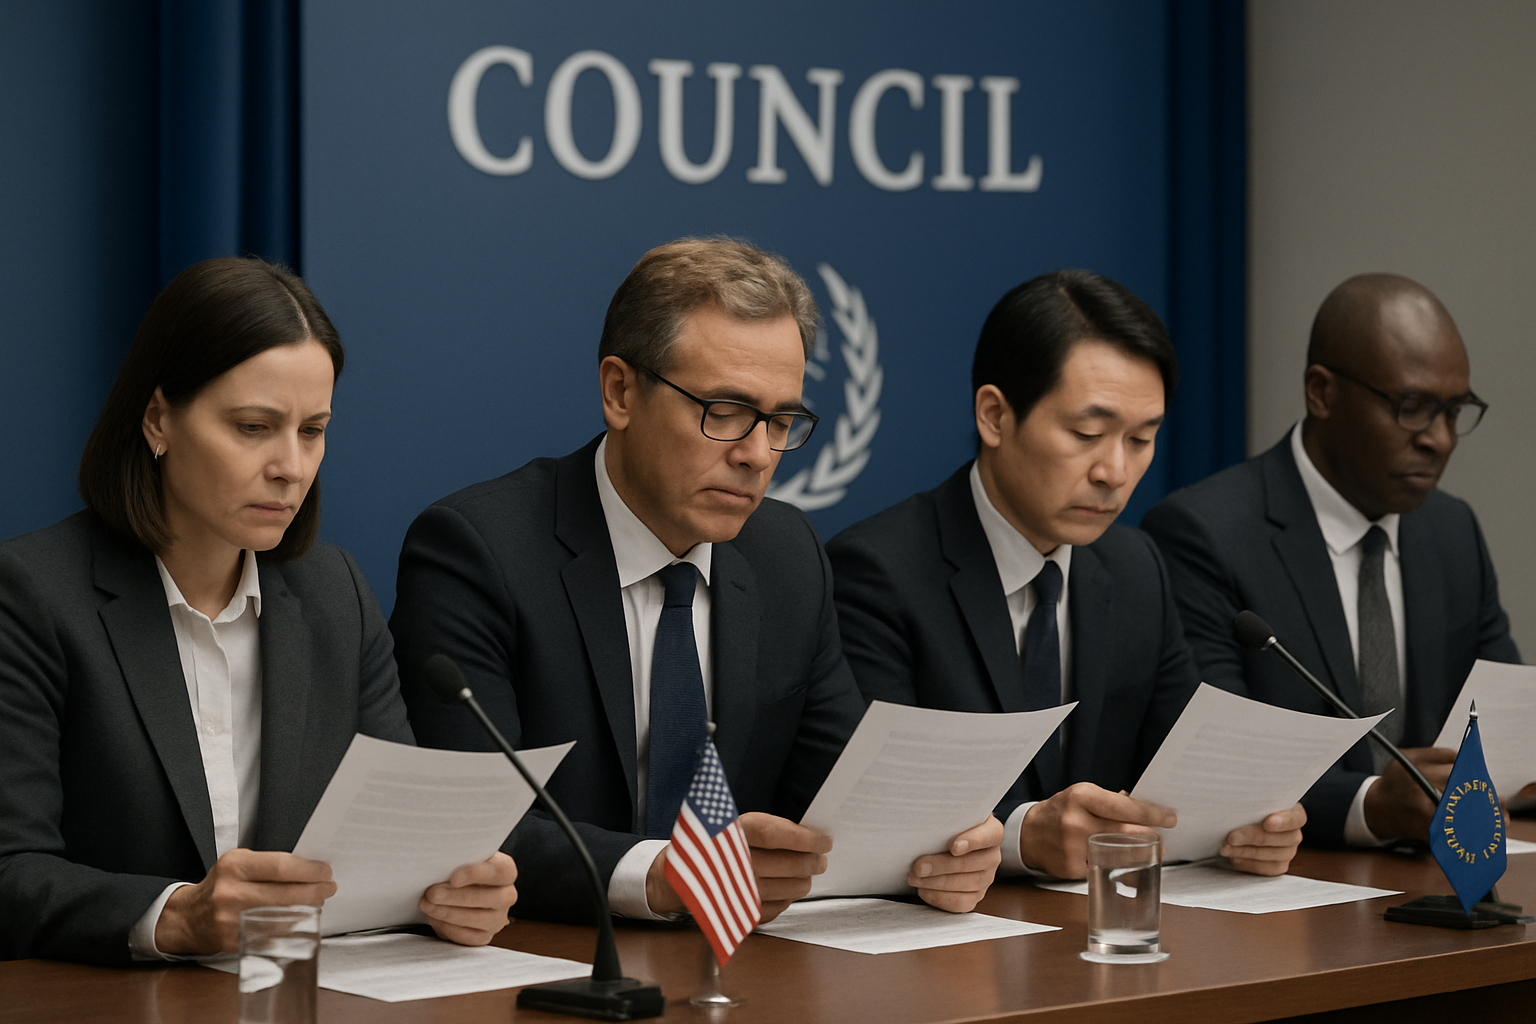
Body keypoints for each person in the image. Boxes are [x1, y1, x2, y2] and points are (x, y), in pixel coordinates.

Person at [391, 238, 1002, 924]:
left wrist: (941, 848)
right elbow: (470, 833)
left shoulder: (787, 554)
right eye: (725, 411)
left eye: (781, 420)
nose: (757, 455)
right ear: (620, 391)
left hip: (738, 972)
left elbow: (839, 797)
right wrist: (659, 876)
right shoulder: (481, 551)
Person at [0, 258, 518, 966]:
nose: (291, 466)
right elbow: (11, 869)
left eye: (312, 431)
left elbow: (391, 845)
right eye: (253, 427)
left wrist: (449, 896)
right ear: (158, 419)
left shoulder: (335, 592)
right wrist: (176, 917)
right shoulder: (31, 593)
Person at [828, 270, 1306, 880]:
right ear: (995, 416)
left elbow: (1182, 769)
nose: (1114, 470)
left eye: (1141, 439)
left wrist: (1246, 822)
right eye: (1087, 434)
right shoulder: (879, 571)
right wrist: (1023, 836)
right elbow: (878, 806)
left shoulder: (1136, 569)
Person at [1143, 273, 1524, 848]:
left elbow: (1506, 727)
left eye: (1454, 411)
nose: (1440, 439)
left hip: (1444, 879)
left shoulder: (1452, 532)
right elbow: (1220, 763)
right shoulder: (1204, 533)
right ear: (1320, 392)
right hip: (1290, 892)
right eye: (1414, 407)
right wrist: (1370, 804)